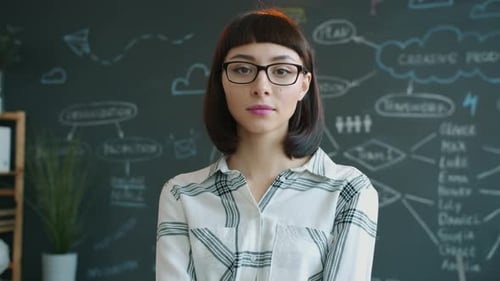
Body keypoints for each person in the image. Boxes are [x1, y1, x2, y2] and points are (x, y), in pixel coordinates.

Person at [156, 7, 378, 281]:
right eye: (242, 69)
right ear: (221, 81)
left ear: (304, 85)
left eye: (282, 71)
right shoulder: (182, 195)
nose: (261, 86)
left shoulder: (348, 191)